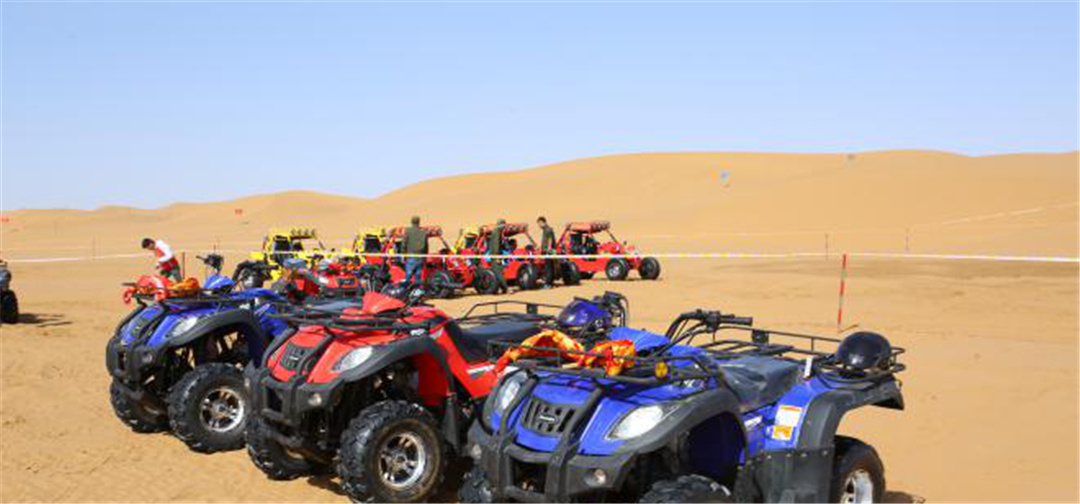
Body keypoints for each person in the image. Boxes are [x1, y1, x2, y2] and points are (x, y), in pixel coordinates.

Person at [403, 216, 428, 287]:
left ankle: (406, 289)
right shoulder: (423, 232)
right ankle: (417, 289)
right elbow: (426, 246)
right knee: (418, 276)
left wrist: (403, 255)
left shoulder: (408, 231)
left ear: (411, 222)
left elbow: (404, 244)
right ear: (419, 222)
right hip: (420, 257)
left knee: (408, 275)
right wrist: (425, 257)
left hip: (411, 257)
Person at [488, 219, 509, 294]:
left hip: (495, 255)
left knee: (497, 272)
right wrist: (497, 256)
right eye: (504, 225)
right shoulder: (496, 232)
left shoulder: (497, 232)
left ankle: (502, 289)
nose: (504, 227)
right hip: (495, 256)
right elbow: (496, 244)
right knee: (498, 272)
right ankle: (505, 288)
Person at [537, 216, 557, 287]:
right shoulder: (545, 229)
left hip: (548, 252)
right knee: (550, 267)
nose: (539, 225)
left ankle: (548, 283)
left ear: (543, 222)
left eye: (539, 223)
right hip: (546, 251)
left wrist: (549, 248)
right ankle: (550, 282)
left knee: (548, 267)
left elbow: (550, 239)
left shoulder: (548, 229)